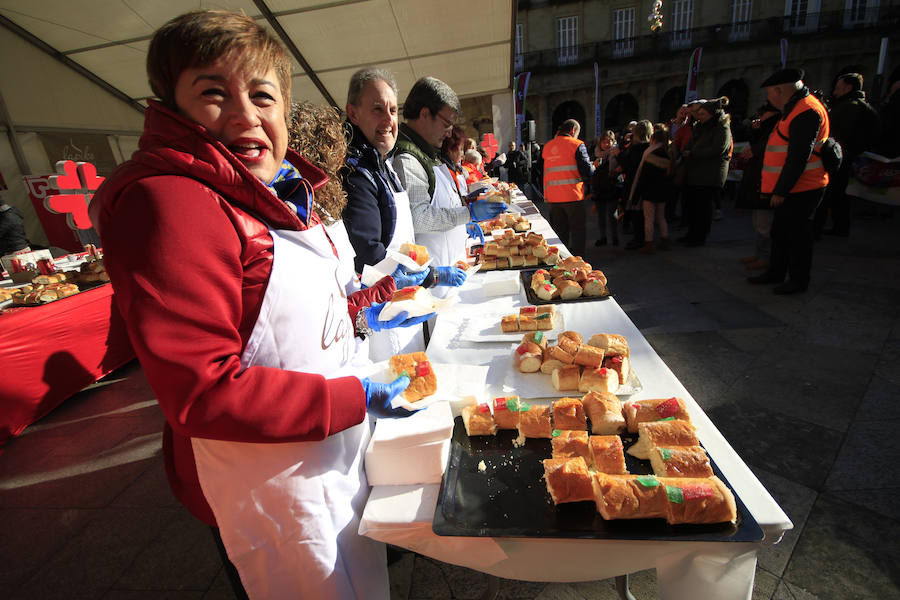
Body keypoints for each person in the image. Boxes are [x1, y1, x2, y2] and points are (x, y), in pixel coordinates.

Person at [88, 11, 430, 600]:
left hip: (327, 451)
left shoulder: (276, 192)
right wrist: (357, 396)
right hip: (268, 483)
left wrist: (377, 304)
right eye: (214, 94)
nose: (247, 115)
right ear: (172, 106)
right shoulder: (170, 202)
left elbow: (297, 317)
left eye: (262, 95)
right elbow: (201, 391)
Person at [340, 67, 463, 359]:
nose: (388, 120)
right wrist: (428, 276)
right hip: (384, 315)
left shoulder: (381, 164)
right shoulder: (356, 174)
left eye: (393, 110)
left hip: (405, 304)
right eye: (377, 109)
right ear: (353, 113)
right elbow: (369, 255)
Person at [392, 76, 505, 273]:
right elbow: (418, 217)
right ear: (425, 114)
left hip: (451, 266)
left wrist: (464, 225)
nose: (449, 132)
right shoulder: (408, 159)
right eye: (447, 123)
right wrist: (468, 214)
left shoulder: (429, 153)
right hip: (434, 280)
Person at [749, 68, 830, 294]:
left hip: (803, 187)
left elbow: (799, 156)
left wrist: (781, 191)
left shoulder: (807, 110)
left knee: (798, 236)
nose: (768, 98)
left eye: (769, 93)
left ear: (778, 90)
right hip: (791, 187)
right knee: (781, 232)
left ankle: (798, 280)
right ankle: (776, 272)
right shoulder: (793, 108)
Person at [815, 72, 880, 236]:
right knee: (839, 194)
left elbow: (836, 132)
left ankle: (822, 228)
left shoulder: (850, 107)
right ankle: (839, 227)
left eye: (838, 87)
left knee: (831, 193)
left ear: (848, 87)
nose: (835, 91)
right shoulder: (856, 105)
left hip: (841, 156)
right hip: (846, 155)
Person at [679, 97, 733, 247]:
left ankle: (699, 236)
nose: (699, 117)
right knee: (693, 205)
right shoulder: (699, 127)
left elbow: (718, 149)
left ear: (711, 114)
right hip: (695, 173)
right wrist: (686, 151)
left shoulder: (722, 128)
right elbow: (690, 144)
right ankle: (691, 233)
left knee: (703, 207)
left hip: (709, 174)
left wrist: (694, 153)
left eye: (702, 114)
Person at [541, 119, 594, 256]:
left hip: (553, 198)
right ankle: (577, 263)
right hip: (573, 196)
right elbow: (587, 171)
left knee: (559, 234)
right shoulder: (577, 145)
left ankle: (561, 263)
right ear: (572, 131)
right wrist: (594, 167)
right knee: (577, 232)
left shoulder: (547, 146)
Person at [632, 124, 674, 253]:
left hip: (649, 192)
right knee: (661, 217)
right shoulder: (668, 153)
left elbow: (643, 177)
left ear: (653, 139)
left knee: (649, 219)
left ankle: (648, 244)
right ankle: (665, 240)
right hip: (663, 191)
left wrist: (636, 195)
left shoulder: (650, 154)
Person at [617, 119, 652, 250]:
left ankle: (640, 239)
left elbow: (628, 166)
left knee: (638, 213)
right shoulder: (650, 147)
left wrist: (618, 155)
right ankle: (645, 238)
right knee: (646, 215)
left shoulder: (637, 149)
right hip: (648, 185)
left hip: (636, 185)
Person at [590, 131, 620, 246]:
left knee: (612, 214)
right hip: (599, 188)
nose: (606, 144)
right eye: (604, 142)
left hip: (612, 186)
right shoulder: (596, 153)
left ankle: (615, 236)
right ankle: (603, 237)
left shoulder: (615, 153)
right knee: (600, 215)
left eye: (609, 142)